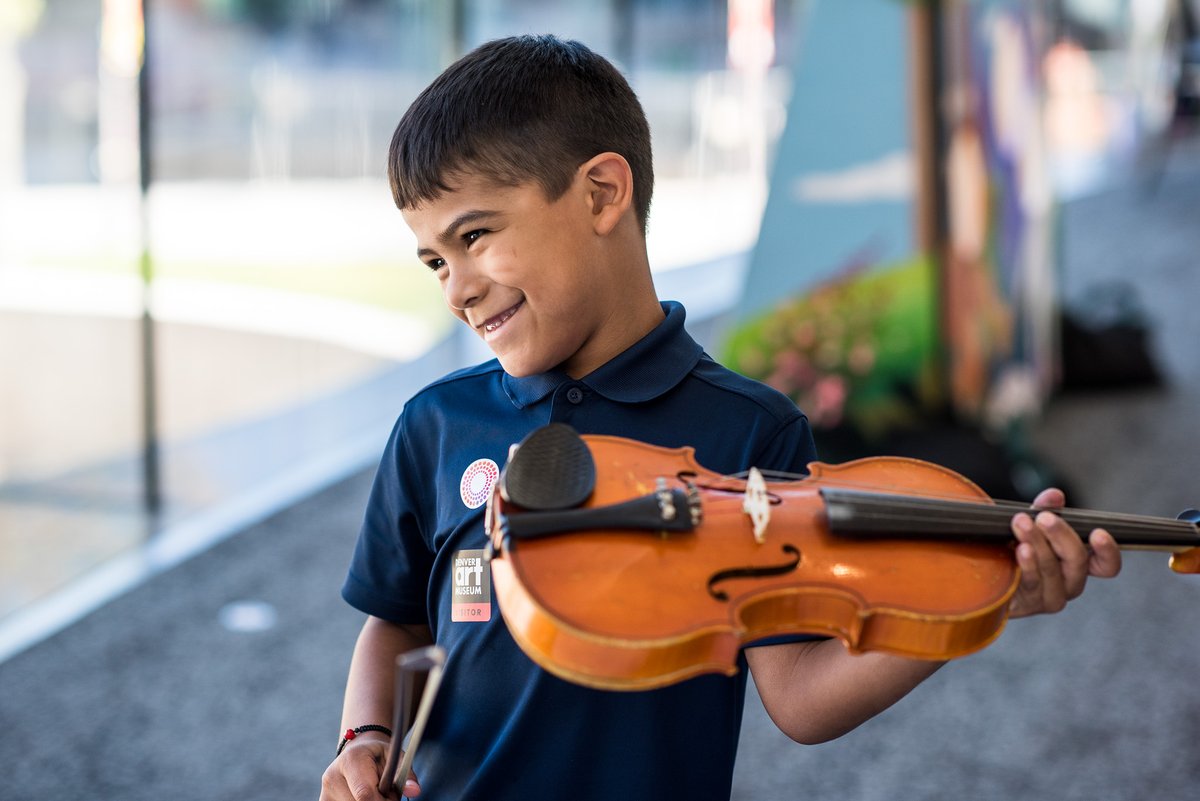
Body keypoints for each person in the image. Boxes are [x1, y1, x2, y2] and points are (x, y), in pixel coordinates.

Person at [319, 34, 1121, 801]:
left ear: (602, 193)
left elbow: (802, 697)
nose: (454, 287)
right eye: (434, 260)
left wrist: (979, 604)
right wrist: (363, 736)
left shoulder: (750, 430)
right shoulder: (435, 424)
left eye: (476, 235)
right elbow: (393, 621)